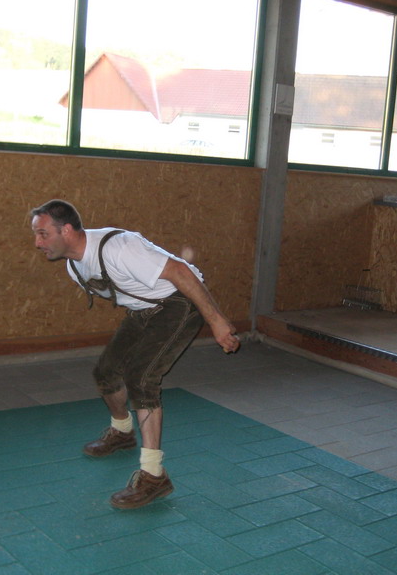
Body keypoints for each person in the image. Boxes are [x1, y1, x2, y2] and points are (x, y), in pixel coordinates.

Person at [30, 199, 240, 509]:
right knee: (106, 373)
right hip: (144, 309)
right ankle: (122, 432)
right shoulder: (74, 266)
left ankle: (154, 476)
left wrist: (217, 321)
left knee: (142, 378)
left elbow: (180, 271)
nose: (38, 243)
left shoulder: (119, 247)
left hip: (179, 301)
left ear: (68, 230)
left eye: (43, 234)